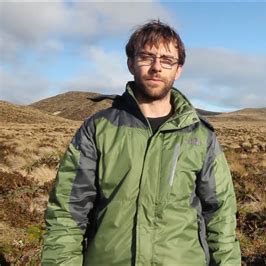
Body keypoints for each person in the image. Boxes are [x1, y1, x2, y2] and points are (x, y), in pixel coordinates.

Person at [42, 20, 241, 265]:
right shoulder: (98, 129)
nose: (156, 67)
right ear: (130, 63)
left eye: (167, 60)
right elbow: (67, 213)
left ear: (178, 69)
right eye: (147, 57)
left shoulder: (201, 136)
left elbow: (220, 217)